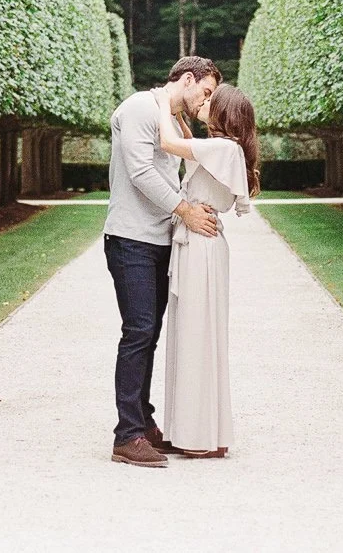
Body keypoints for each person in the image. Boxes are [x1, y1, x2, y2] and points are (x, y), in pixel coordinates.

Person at [103, 55, 220, 468]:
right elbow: (139, 172)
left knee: (148, 334)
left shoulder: (170, 120)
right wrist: (185, 210)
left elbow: (172, 172)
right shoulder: (138, 108)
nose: (206, 101)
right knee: (137, 332)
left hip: (157, 241)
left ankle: (143, 422)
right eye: (204, 92)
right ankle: (127, 435)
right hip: (131, 239)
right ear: (186, 79)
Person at [157, 82, 258, 458]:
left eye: (211, 99)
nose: (204, 100)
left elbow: (169, 144)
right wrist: (181, 112)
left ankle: (198, 435)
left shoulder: (223, 148)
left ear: (223, 113)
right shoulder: (223, 151)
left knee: (196, 334)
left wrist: (160, 102)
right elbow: (187, 149)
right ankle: (200, 431)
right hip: (200, 244)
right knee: (195, 333)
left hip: (200, 246)